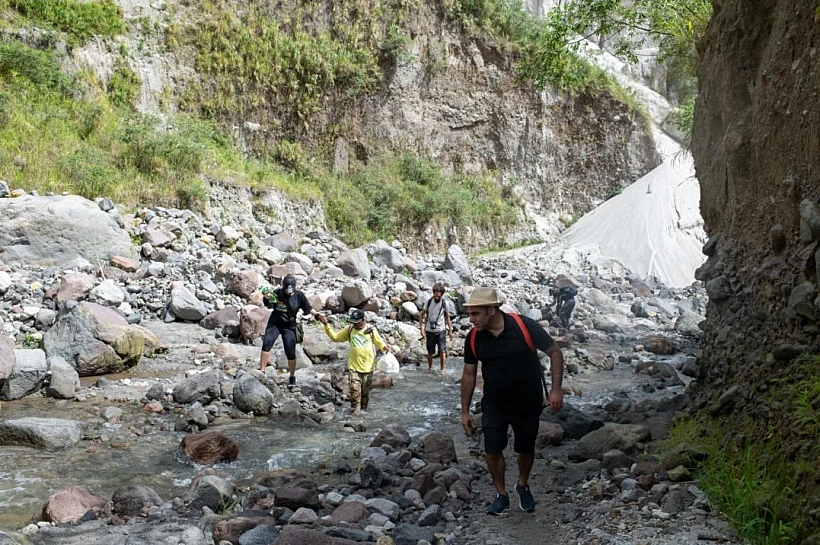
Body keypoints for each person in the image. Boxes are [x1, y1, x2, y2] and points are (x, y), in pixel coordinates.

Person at [460, 287, 565, 516]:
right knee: (492, 451)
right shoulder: (475, 337)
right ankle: (501, 494)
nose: (471, 319)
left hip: (528, 402)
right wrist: (465, 411)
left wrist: (556, 390)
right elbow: (468, 374)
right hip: (494, 404)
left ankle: (523, 485)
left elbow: (555, 352)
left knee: (525, 449)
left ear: (491, 310)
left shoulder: (524, 326)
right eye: (470, 314)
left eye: (475, 314)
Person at [316, 309, 390, 416]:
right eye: (353, 322)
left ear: (363, 320)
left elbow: (379, 341)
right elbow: (335, 337)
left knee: (365, 392)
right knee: (355, 391)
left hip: (368, 367)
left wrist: (384, 347)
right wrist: (326, 325)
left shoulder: (371, 330)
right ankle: (355, 412)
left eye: (356, 322)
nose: (354, 324)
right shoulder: (350, 330)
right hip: (354, 367)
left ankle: (363, 411)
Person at [259, 274, 318, 389]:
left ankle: (292, 377)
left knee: (290, 352)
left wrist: (317, 315)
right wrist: (266, 298)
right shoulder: (277, 293)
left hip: (289, 326)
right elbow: (269, 305)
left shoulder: (299, 296)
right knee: (267, 343)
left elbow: (308, 308)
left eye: (291, 291)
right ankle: (262, 371)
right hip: (275, 324)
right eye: (287, 290)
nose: (289, 293)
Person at [417, 283, 453, 372]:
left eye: (438, 296)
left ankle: (442, 370)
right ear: (433, 293)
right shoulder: (428, 302)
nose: (437, 297)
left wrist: (450, 330)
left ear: (442, 295)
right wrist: (421, 328)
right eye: (435, 295)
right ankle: (430, 368)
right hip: (429, 330)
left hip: (441, 330)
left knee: (442, 350)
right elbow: (421, 314)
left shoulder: (444, 303)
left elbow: (447, 316)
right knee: (430, 351)